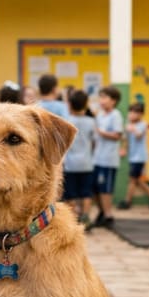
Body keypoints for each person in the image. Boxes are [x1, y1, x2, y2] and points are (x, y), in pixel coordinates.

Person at [62, 89, 97, 227]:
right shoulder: (91, 122)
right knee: (86, 192)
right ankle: (86, 217)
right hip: (87, 163)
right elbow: (94, 142)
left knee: (70, 194)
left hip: (70, 165)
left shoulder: (67, 121)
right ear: (86, 104)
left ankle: (74, 219)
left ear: (70, 104)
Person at [92, 86, 124, 228]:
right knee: (95, 188)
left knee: (106, 189)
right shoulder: (99, 115)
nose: (102, 100)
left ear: (114, 100)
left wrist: (101, 132)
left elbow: (117, 135)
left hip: (109, 159)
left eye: (105, 97)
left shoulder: (116, 115)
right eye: (101, 97)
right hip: (96, 158)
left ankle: (108, 215)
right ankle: (102, 212)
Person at [119, 102, 149, 210]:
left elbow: (139, 135)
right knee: (137, 179)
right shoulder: (128, 124)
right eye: (130, 112)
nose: (132, 114)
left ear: (141, 114)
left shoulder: (143, 124)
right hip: (132, 156)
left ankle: (127, 201)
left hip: (139, 157)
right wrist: (124, 149)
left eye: (135, 112)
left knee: (132, 179)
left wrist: (132, 128)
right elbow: (125, 139)